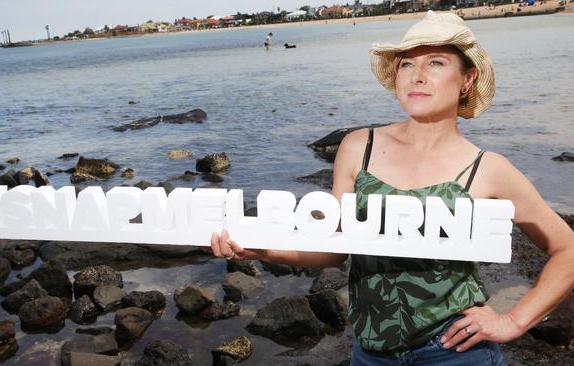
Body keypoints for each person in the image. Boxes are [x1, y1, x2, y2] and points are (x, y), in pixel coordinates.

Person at [211, 11, 574, 365]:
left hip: (456, 352)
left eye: (435, 63)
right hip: (369, 353)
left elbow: (567, 248)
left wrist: (513, 321)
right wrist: (263, 249)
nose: (417, 76)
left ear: (467, 79)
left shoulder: (489, 169)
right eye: (406, 64)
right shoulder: (358, 147)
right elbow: (335, 249)